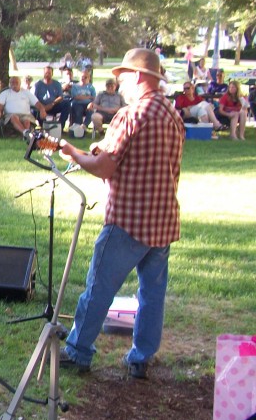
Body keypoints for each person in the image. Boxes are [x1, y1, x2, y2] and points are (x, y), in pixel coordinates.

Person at [58, 49, 184, 380]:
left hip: (129, 218)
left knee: (99, 287)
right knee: (152, 294)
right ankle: (141, 357)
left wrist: (74, 152)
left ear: (140, 77)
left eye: (125, 75)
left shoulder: (131, 114)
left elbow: (104, 166)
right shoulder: (171, 112)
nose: (120, 81)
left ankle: (78, 351)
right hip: (163, 218)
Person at [34, 65, 70, 130]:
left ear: (52, 74)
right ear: (43, 74)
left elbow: (60, 97)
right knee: (33, 109)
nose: (47, 75)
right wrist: (42, 107)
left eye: (49, 73)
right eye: (46, 73)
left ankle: (60, 127)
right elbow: (34, 98)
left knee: (66, 103)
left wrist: (52, 104)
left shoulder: (57, 84)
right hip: (41, 106)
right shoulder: (38, 84)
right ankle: (45, 127)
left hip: (54, 105)